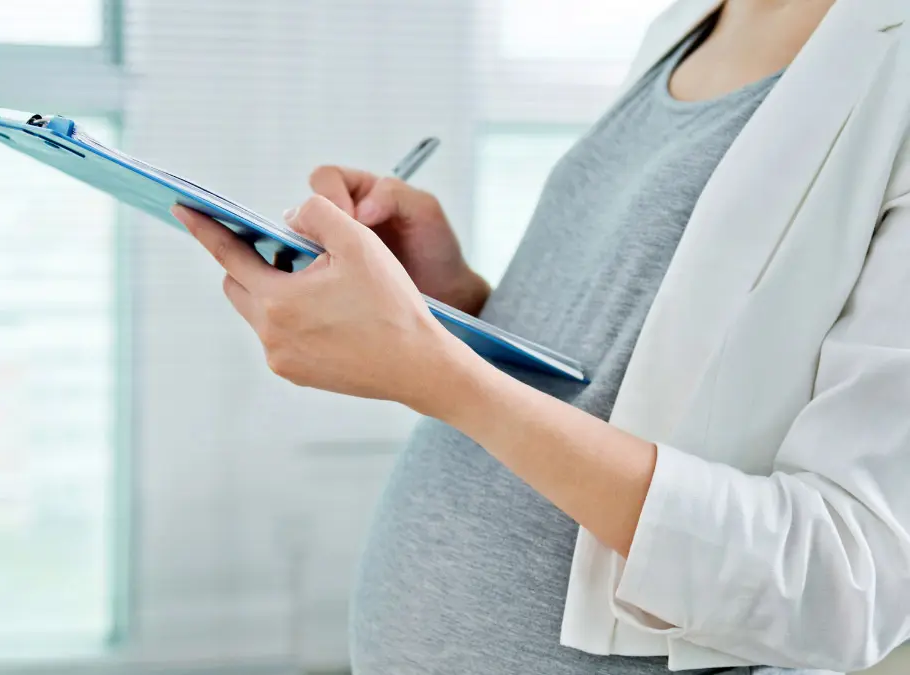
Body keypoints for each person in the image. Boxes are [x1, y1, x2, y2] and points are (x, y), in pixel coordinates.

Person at [171, 0, 910, 672]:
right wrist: (458, 307)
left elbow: (847, 580)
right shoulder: (689, 24)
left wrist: (441, 375)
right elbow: (634, 378)